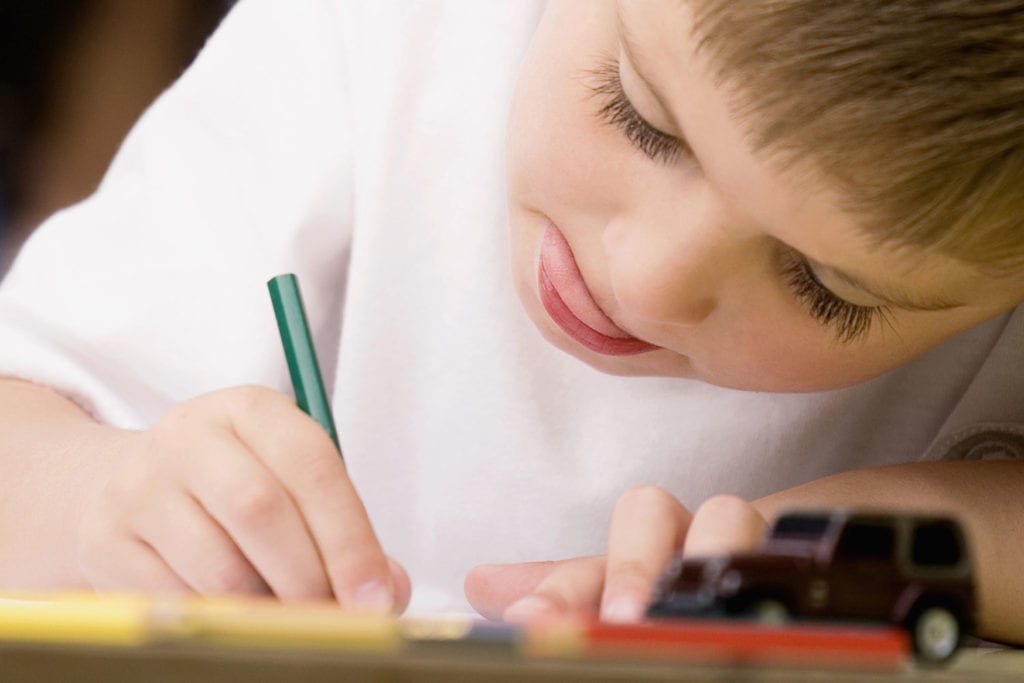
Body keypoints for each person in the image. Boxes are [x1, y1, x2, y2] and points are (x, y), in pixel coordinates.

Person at [0, 0, 1022, 644]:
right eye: (639, 115)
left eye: (823, 284)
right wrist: (102, 500)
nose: (646, 276)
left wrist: (938, 531)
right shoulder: (391, 34)